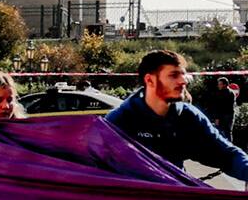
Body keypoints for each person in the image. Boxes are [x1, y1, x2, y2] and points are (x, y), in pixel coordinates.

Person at [105, 49, 248, 183]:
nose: (183, 81)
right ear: (150, 80)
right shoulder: (118, 121)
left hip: (176, 199)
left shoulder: (189, 116)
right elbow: (95, 168)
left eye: (183, 74)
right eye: (174, 75)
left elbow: (227, 155)